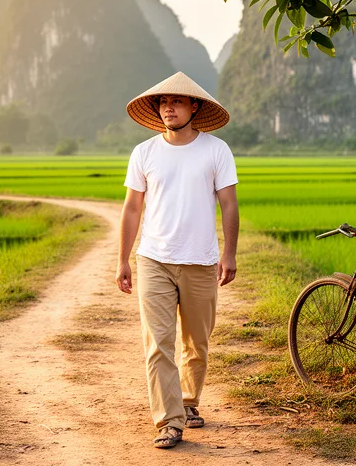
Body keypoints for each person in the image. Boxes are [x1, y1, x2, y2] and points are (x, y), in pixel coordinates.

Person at [116, 71, 239, 449]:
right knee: (158, 343)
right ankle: (169, 421)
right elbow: (132, 209)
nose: (168, 107)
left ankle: (188, 402)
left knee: (196, 343)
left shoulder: (216, 150)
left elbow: (229, 204)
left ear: (194, 107)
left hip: (201, 260)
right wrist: (123, 259)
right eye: (163, 102)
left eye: (177, 101)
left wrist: (228, 252)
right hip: (154, 259)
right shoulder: (145, 152)